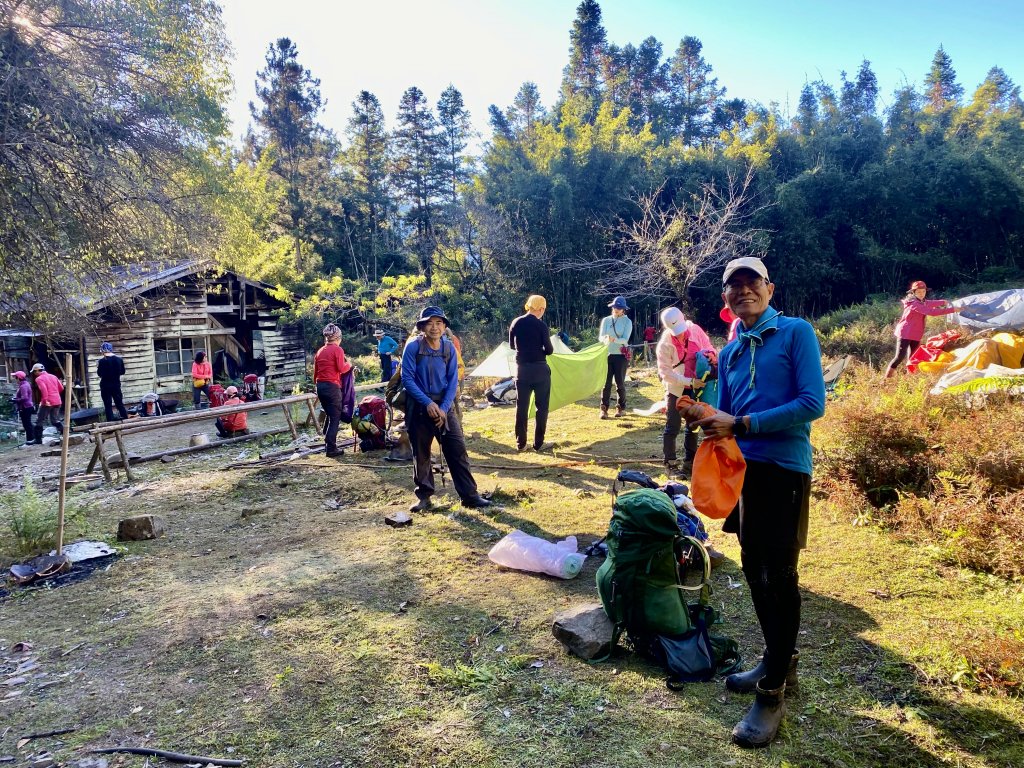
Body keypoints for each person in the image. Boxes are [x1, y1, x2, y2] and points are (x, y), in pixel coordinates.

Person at [680, 256, 825, 749]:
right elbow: (734, 409)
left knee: (778, 578)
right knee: (752, 565)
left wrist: (742, 425)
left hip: (783, 469)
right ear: (725, 300)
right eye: (733, 286)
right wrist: (706, 411)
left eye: (751, 283)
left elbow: (812, 403)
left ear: (769, 287)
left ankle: (772, 690)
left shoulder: (795, 332)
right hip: (741, 469)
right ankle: (777, 657)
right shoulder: (734, 345)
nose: (743, 291)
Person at [401, 306, 491, 512]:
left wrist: (443, 407)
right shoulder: (413, 347)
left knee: (457, 450)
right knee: (421, 454)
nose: (434, 327)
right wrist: (428, 403)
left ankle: (470, 496)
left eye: (439, 323)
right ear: (422, 326)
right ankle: (424, 497)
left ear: (444, 326)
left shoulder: (449, 348)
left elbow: (453, 381)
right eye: (430, 323)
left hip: (444, 405)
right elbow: (407, 378)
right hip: (419, 405)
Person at [656, 307, 715, 479]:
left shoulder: (695, 330)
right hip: (677, 388)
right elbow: (665, 373)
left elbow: (709, 347)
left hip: (697, 387)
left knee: (693, 426)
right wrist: (689, 381)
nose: (680, 335)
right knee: (673, 426)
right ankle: (670, 464)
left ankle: (690, 463)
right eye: (676, 332)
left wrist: (711, 356)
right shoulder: (664, 344)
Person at [884, 280, 958, 378]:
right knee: (899, 357)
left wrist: (943, 302)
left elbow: (929, 303)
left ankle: (909, 378)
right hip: (905, 333)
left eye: (923, 291)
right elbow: (932, 312)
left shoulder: (922, 301)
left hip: (916, 334)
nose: (921, 294)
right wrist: (952, 310)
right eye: (918, 292)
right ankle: (886, 379)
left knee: (913, 357)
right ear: (913, 292)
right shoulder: (913, 303)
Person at [508, 294, 554, 452]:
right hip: (540, 370)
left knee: (521, 406)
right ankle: (539, 443)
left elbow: (512, 346)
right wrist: (538, 349)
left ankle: (521, 444)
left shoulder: (516, 322)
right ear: (541, 309)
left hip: (522, 370)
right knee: (541, 408)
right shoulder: (541, 325)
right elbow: (549, 350)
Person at [314, 323, 355, 458]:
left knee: (329, 414)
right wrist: (349, 365)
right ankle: (331, 449)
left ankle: (327, 443)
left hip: (320, 386)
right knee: (335, 417)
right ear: (338, 337)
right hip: (332, 386)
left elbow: (315, 373)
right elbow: (341, 368)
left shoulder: (320, 351)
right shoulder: (337, 350)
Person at [599, 296, 633, 418]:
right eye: (615, 307)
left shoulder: (627, 322)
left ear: (623, 309)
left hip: (621, 356)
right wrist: (606, 339)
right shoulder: (606, 320)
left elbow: (625, 339)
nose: (616, 309)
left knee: (620, 383)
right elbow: (601, 337)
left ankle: (621, 408)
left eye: (619, 308)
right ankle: (603, 409)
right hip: (607, 354)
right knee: (606, 383)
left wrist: (614, 340)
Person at [29, 363, 64, 445]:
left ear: (38, 370)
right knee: (54, 420)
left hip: (48, 402)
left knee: (39, 420)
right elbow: (61, 388)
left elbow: (44, 390)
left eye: (34, 371)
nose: (34, 373)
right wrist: (54, 394)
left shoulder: (39, 379)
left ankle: (37, 440)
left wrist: (45, 401)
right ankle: (64, 434)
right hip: (57, 401)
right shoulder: (53, 376)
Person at [96, 341, 128, 421]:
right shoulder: (119, 359)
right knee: (119, 403)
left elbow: (99, 374)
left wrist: (98, 367)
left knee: (108, 405)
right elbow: (122, 372)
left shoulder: (101, 361)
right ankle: (125, 420)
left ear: (103, 350)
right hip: (116, 384)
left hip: (105, 386)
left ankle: (110, 424)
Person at [10, 371, 35, 446]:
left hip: (25, 407)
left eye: (15, 377)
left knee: (27, 424)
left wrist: (15, 400)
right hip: (27, 406)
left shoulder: (23, 386)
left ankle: (30, 440)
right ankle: (32, 438)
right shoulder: (25, 384)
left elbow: (25, 398)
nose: (15, 379)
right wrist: (15, 399)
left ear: (19, 378)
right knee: (28, 424)